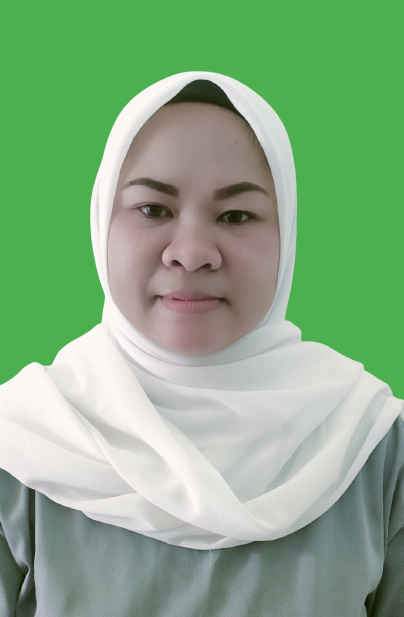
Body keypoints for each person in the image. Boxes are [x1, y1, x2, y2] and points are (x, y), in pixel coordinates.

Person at [0, 71, 403, 616]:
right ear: (101, 223)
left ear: (286, 237)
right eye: (153, 209)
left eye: (236, 216)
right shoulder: (23, 445)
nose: (191, 253)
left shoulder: (374, 446)